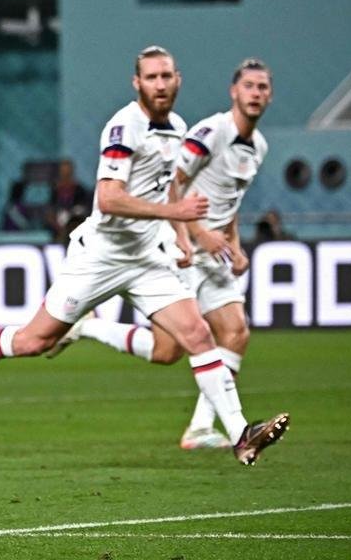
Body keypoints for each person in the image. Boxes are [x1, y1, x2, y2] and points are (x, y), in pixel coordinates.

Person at [0, 46, 290, 466]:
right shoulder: (125, 126)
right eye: (151, 78)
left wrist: (180, 234)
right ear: (137, 83)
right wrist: (174, 214)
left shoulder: (178, 126)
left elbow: (169, 186)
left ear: (178, 80)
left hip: (146, 258)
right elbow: (108, 199)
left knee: (197, 336)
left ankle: (240, 434)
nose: (160, 85)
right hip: (100, 257)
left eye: (166, 77)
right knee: (35, 340)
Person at [51, 59, 275, 452]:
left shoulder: (258, 146)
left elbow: (231, 200)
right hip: (184, 245)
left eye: (263, 87)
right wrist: (194, 234)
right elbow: (173, 181)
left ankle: (202, 428)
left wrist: (234, 243)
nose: (256, 93)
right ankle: (87, 328)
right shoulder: (209, 132)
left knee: (236, 332)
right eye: (250, 86)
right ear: (233, 92)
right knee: (166, 350)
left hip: (215, 252)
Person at [46, 159, 92, 242]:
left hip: (75, 225)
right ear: (60, 173)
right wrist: (58, 226)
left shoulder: (80, 190)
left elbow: (83, 211)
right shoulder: (55, 190)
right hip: (58, 227)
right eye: (63, 172)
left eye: (68, 172)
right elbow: (50, 211)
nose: (65, 175)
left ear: (72, 172)